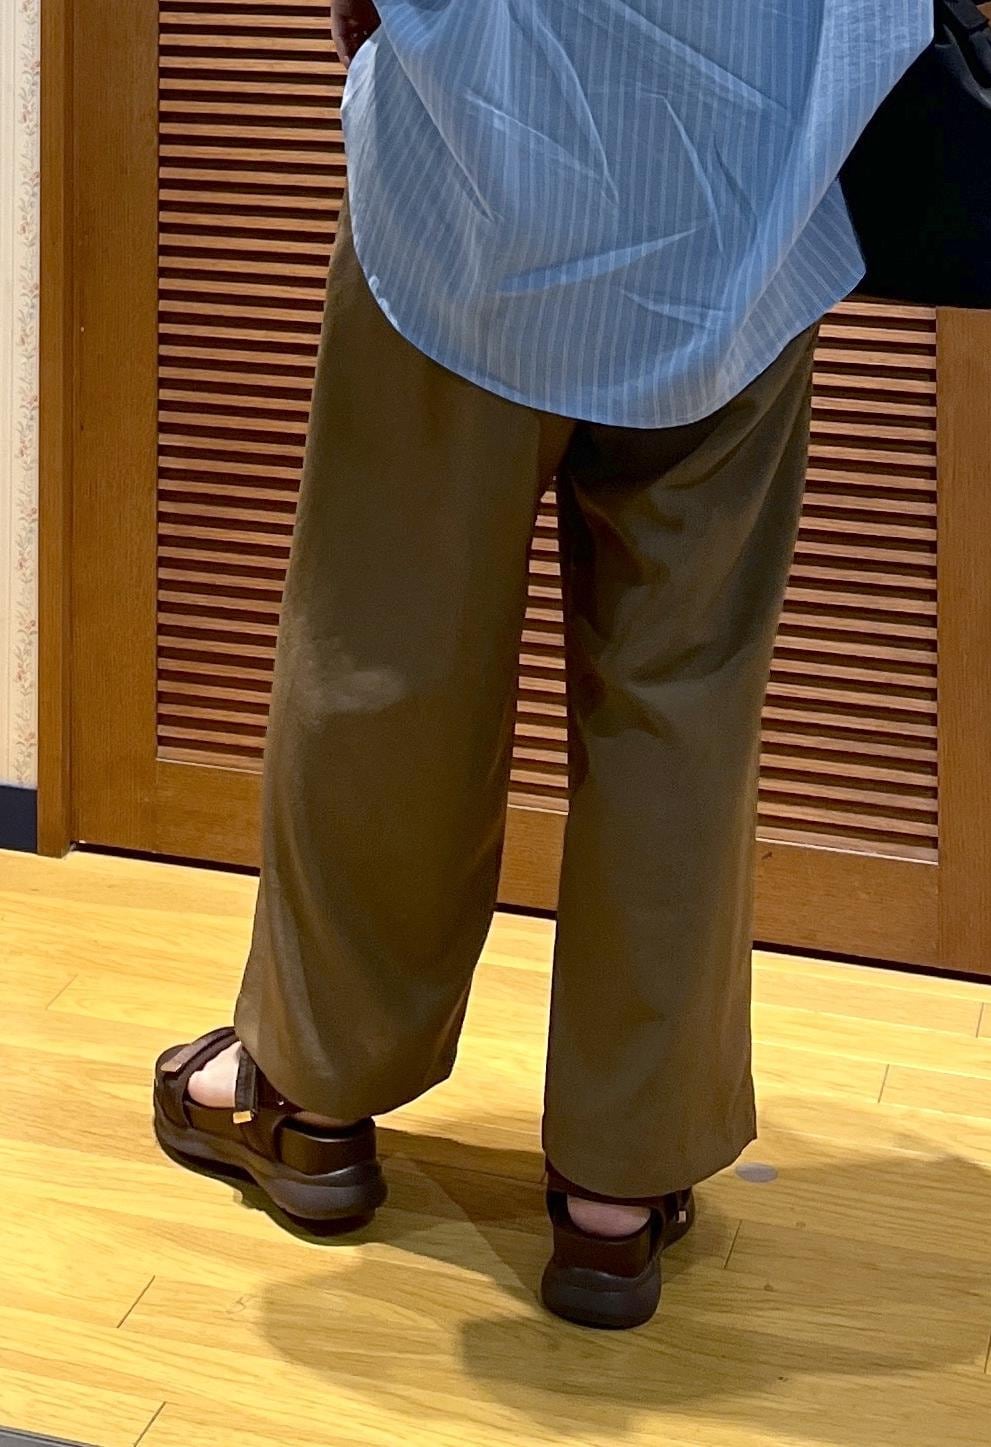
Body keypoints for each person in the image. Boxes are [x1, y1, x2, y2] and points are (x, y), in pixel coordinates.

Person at [153, 1, 934, 1329]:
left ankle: (313, 1106)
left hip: (466, 171)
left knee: (387, 643)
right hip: (746, 201)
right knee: (679, 697)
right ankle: (619, 1190)